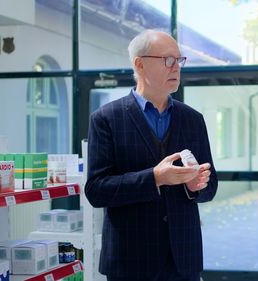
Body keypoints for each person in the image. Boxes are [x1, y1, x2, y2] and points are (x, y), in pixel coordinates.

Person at [85, 29, 218, 281]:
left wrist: (195, 186)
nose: (176, 67)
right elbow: (96, 189)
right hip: (130, 261)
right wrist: (155, 178)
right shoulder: (106, 119)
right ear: (140, 64)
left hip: (183, 260)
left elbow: (211, 185)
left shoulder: (193, 120)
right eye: (168, 60)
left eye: (179, 60)